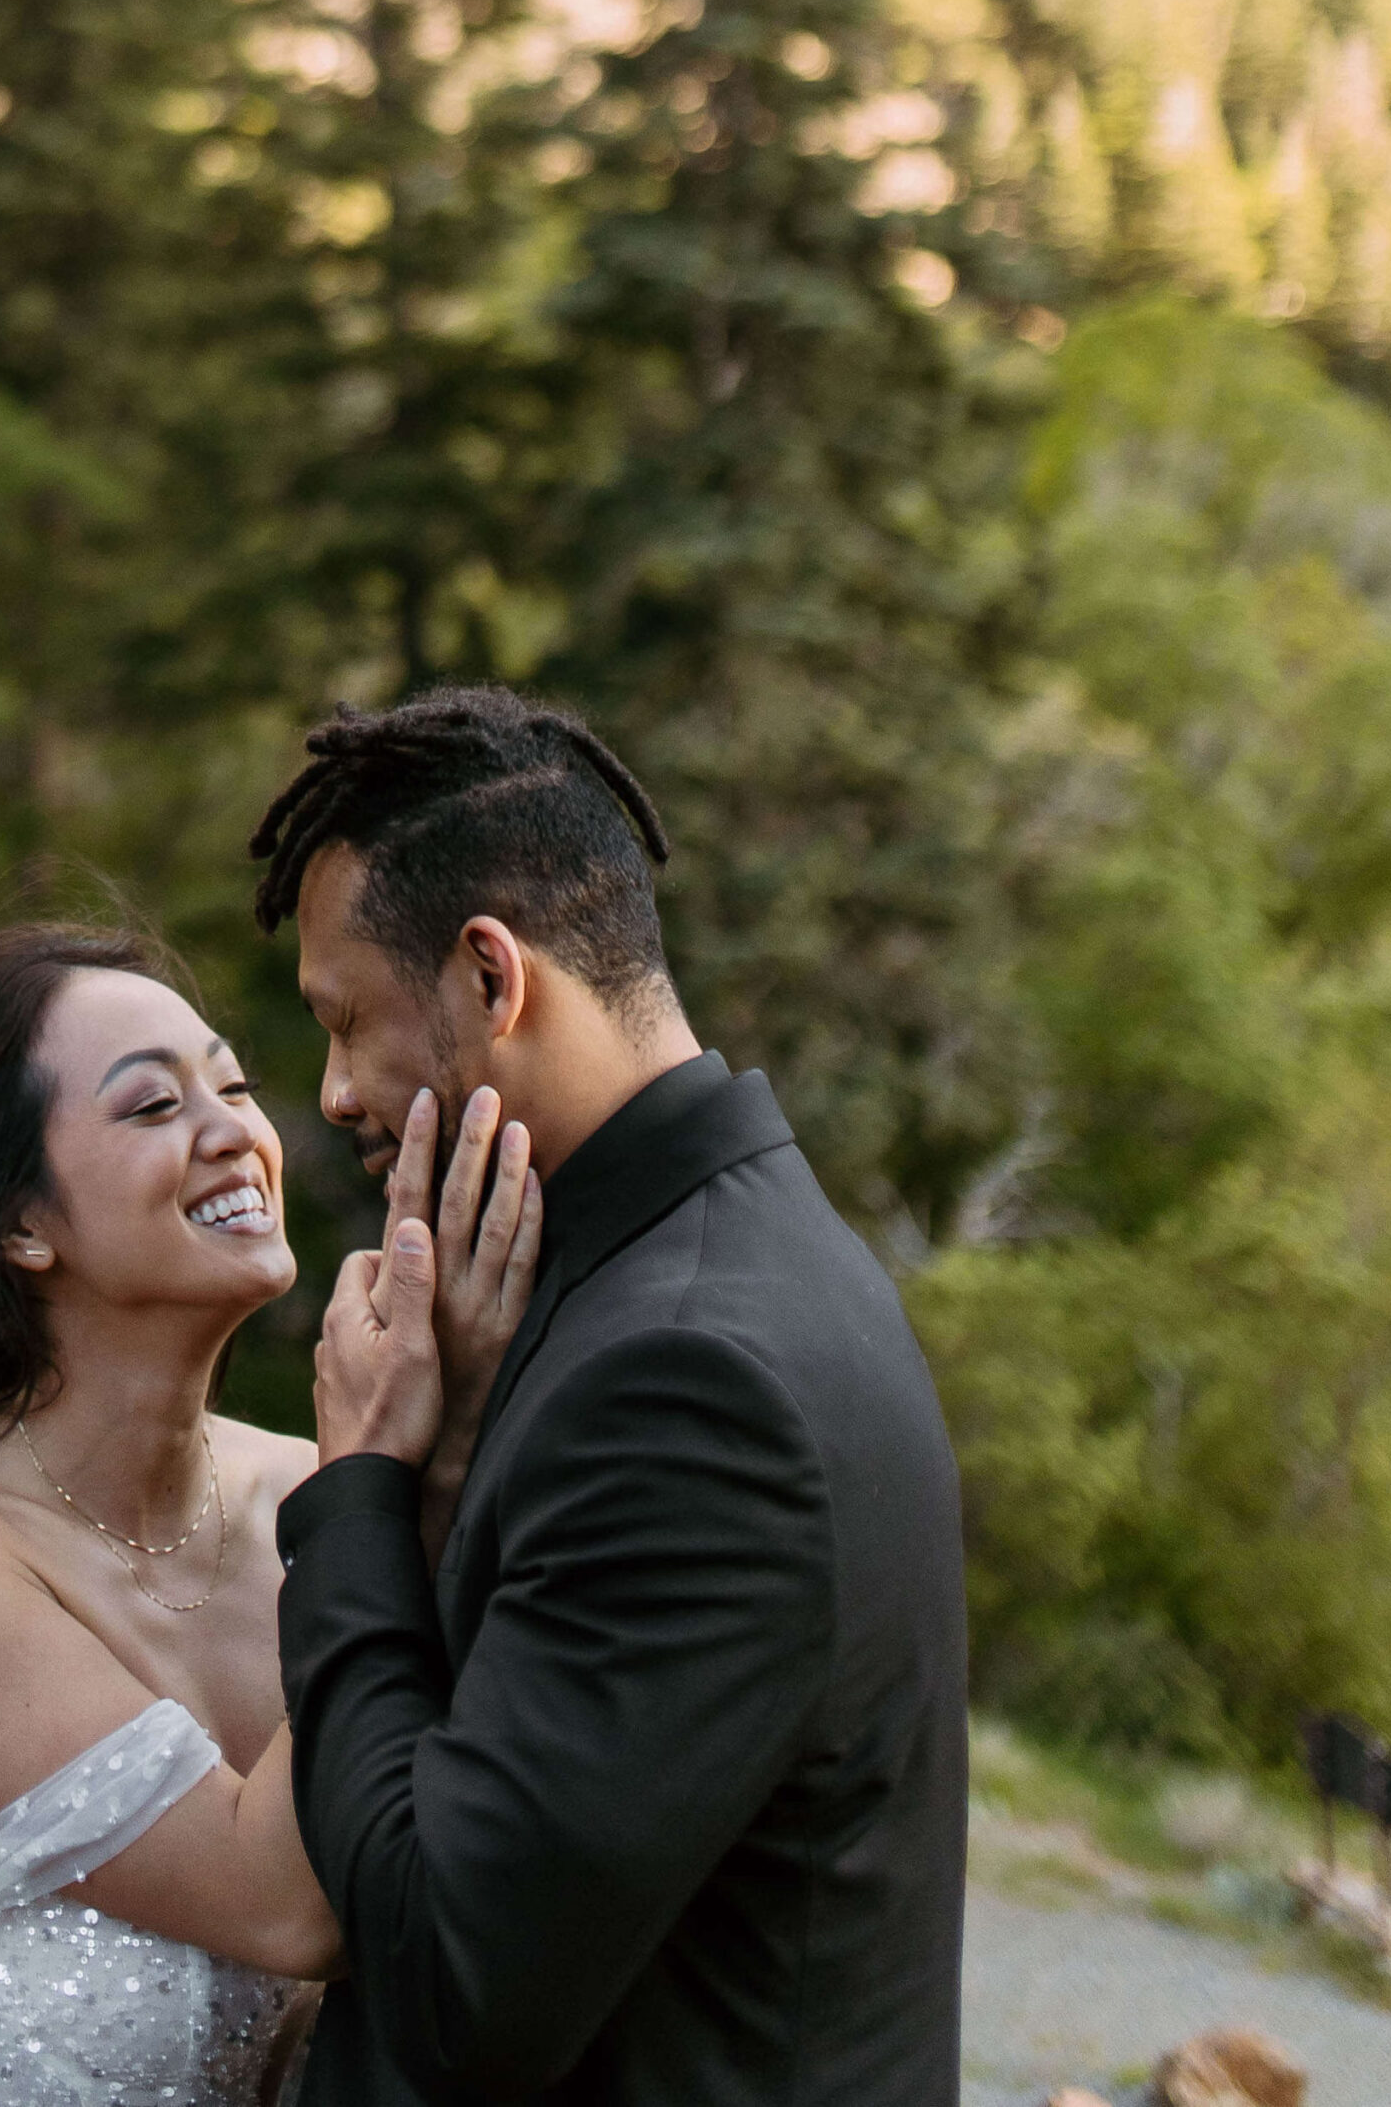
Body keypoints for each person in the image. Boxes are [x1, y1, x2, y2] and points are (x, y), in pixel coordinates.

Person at [250, 684, 971, 2106]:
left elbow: (454, 1981)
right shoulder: (720, 1267)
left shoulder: (688, 1378)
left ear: (489, 977)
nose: (334, 1093)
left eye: (347, 1021)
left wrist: (359, 1494)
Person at [0, 921, 541, 2107]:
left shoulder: (310, 1495)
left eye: (233, 1085)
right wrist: (428, 1461)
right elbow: (283, 1903)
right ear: (21, 1225)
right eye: (153, 1107)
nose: (237, 1133)